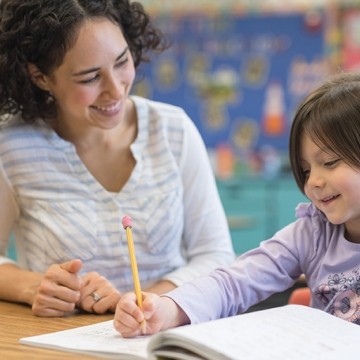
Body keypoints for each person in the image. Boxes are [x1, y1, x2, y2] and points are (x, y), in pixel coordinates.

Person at [0, 0, 235, 317]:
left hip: (167, 330)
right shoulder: (11, 147)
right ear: (41, 77)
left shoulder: (173, 130)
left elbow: (216, 255)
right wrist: (33, 285)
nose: (116, 90)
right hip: (61, 340)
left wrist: (146, 302)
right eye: (89, 78)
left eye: (122, 62)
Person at [114, 71, 360, 337]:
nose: (314, 182)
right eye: (305, 170)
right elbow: (234, 282)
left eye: (330, 162)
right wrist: (167, 308)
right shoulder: (313, 233)